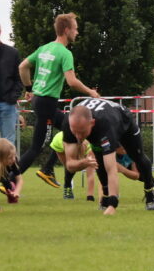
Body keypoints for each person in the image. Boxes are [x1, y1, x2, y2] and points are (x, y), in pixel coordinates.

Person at [16, 13, 101, 179]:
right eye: (75, 29)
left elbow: (22, 67)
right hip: (46, 104)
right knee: (36, 147)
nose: (77, 33)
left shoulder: (44, 48)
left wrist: (29, 88)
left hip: (40, 101)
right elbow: (72, 82)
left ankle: (47, 169)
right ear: (67, 30)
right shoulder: (65, 53)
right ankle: (9, 180)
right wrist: (91, 92)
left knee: (69, 128)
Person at [62, 98, 154, 214]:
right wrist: (84, 162)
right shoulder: (69, 124)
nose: (78, 137)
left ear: (92, 123)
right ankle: (105, 196)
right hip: (101, 123)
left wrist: (113, 204)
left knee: (137, 156)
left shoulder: (104, 125)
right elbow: (69, 165)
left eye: (82, 132)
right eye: (75, 132)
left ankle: (150, 192)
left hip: (123, 122)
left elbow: (111, 169)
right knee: (98, 160)